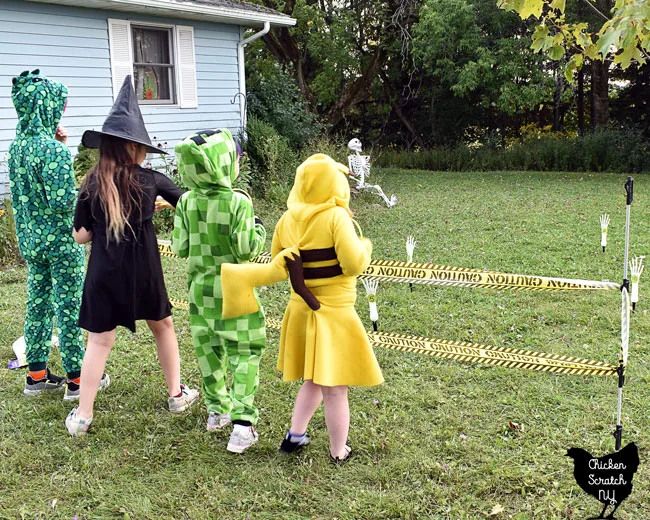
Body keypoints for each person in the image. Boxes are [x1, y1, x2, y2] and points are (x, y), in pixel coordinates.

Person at [220, 153, 384, 463]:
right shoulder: (337, 217)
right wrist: (366, 247)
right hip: (333, 311)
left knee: (315, 377)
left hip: (300, 310)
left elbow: (277, 262)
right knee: (335, 387)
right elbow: (352, 264)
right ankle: (338, 451)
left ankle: (295, 435)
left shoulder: (286, 219)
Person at [65, 76, 199, 436]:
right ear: (135, 148)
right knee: (163, 327)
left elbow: (81, 237)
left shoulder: (91, 183)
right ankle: (176, 394)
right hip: (145, 273)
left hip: (104, 275)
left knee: (99, 340)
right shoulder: (151, 180)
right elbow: (190, 204)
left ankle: (83, 416)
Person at [172, 128, 267, 453]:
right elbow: (246, 249)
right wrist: (258, 229)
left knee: (209, 353)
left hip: (201, 293)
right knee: (244, 353)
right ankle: (242, 425)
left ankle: (217, 412)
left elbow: (181, 247)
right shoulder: (239, 201)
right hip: (235, 291)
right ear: (224, 163)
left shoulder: (185, 201)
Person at [8, 69, 89, 399]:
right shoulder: (52, 152)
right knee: (68, 307)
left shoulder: (17, 148)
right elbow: (63, 201)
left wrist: (60, 147)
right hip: (61, 242)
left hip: (31, 242)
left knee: (38, 304)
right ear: (47, 109)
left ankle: (37, 376)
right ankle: (77, 381)